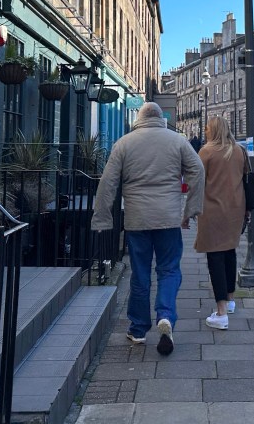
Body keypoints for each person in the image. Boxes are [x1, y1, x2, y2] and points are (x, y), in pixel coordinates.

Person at [92, 102, 204, 355]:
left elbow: (108, 182)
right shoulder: (177, 141)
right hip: (168, 219)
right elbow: (198, 170)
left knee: (140, 274)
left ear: (139, 119)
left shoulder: (124, 143)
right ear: (161, 118)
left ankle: (138, 329)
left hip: (137, 219)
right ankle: (165, 315)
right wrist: (190, 210)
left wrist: (102, 218)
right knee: (169, 270)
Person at [192, 116, 248, 330]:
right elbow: (245, 178)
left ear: (213, 130)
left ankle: (221, 312)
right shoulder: (239, 151)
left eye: (207, 128)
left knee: (215, 257)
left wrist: (188, 212)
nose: (205, 131)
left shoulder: (206, 152)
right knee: (229, 252)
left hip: (213, 211)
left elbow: (197, 183)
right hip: (236, 210)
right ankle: (230, 300)